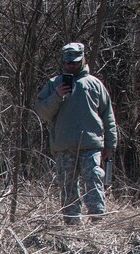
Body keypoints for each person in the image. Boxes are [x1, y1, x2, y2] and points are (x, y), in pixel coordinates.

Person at [35, 42, 118, 224]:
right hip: (64, 146)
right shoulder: (54, 84)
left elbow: (108, 117)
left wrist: (110, 146)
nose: (71, 65)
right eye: (68, 62)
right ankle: (72, 226)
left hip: (91, 145)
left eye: (74, 62)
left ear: (83, 60)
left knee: (94, 180)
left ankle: (97, 222)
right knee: (67, 186)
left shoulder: (95, 84)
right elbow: (42, 112)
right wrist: (57, 96)